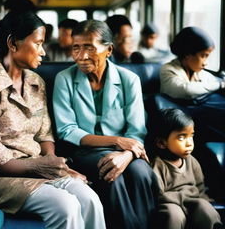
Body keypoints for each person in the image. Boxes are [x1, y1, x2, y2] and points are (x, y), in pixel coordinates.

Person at [0, 11, 106, 229]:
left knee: (89, 199)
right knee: (65, 205)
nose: (43, 51)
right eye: (37, 43)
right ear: (12, 43)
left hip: (38, 170)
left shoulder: (36, 82)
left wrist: (53, 164)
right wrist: (41, 167)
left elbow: (44, 135)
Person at [53, 19, 158, 229]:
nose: (81, 56)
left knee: (141, 172)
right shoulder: (64, 79)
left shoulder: (129, 80)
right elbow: (67, 130)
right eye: (76, 48)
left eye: (89, 48)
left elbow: (136, 130)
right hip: (84, 152)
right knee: (110, 173)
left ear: (109, 50)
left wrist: (127, 154)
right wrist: (118, 142)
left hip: (127, 151)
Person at [159, 27, 225, 201]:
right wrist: (219, 84)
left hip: (201, 126)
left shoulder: (201, 74)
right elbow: (184, 90)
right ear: (188, 55)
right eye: (203, 55)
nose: (206, 62)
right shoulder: (168, 70)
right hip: (180, 127)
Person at [147, 108, 223, 229]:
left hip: (192, 201)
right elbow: (158, 196)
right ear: (162, 143)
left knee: (205, 209)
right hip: (170, 204)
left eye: (191, 136)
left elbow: (200, 187)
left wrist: (204, 200)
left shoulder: (192, 161)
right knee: (173, 215)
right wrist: (183, 198)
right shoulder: (158, 165)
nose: (189, 143)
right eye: (182, 137)